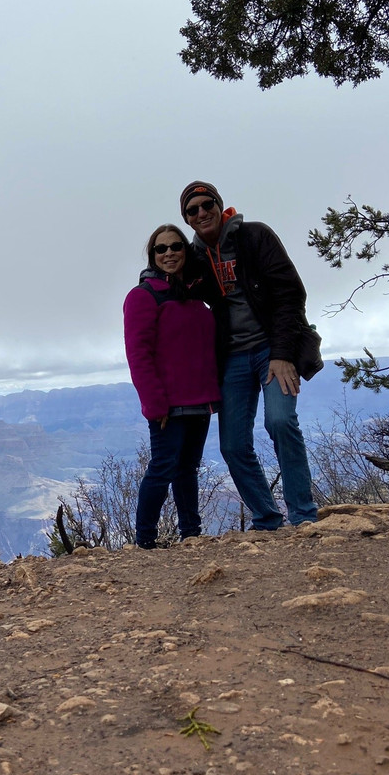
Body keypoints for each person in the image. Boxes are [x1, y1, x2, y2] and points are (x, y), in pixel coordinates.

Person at [179, 181, 318, 530]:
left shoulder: (255, 236)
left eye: (206, 204)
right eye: (192, 210)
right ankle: (267, 519)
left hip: (273, 348)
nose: (201, 212)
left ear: (218, 204)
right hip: (233, 358)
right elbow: (172, 283)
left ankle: (303, 516)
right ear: (187, 219)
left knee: (280, 422)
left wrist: (283, 353)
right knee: (233, 446)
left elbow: (290, 294)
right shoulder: (195, 258)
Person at [123, 223, 222, 549]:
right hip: (168, 404)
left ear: (185, 250)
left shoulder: (194, 293)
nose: (169, 253)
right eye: (161, 249)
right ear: (152, 255)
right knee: (162, 469)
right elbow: (139, 354)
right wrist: (154, 404)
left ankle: (191, 536)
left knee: (187, 470)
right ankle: (145, 543)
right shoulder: (143, 296)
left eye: (175, 247)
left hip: (201, 399)